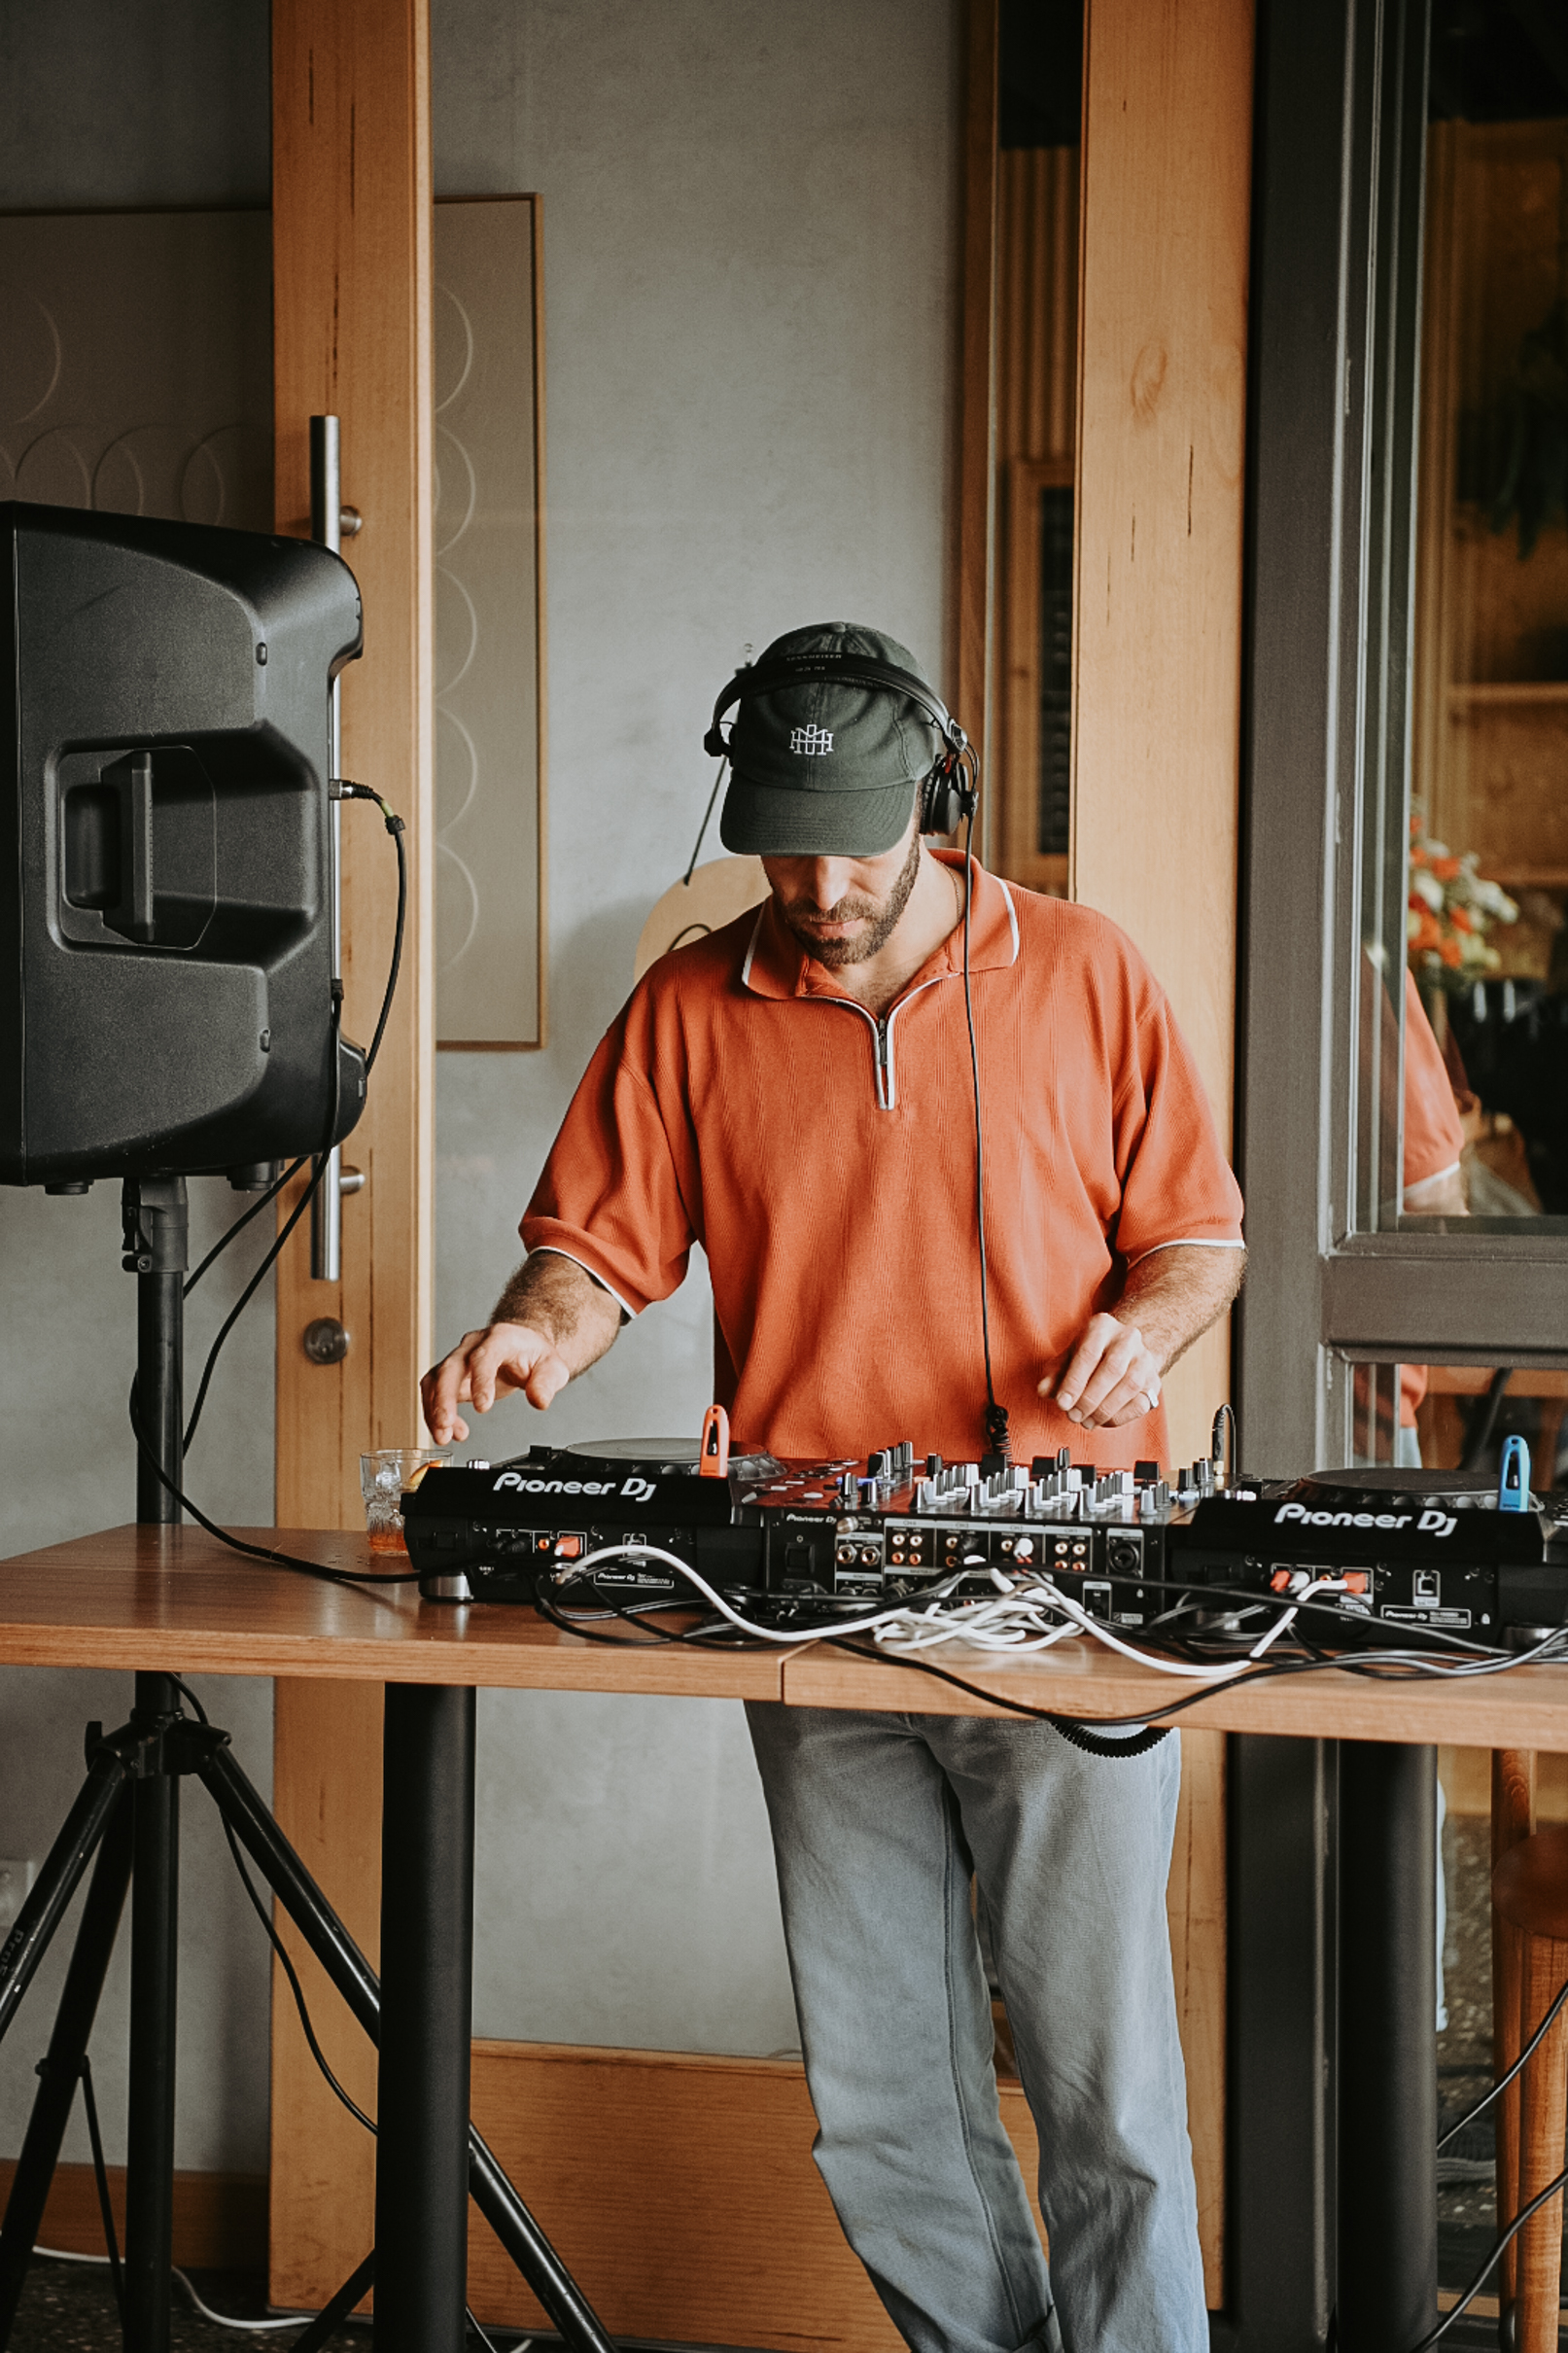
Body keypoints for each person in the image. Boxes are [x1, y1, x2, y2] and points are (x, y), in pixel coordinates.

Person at [423, 623, 1247, 2353]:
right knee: (880, 2099)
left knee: (1102, 2089)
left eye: (853, 849)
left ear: (936, 800)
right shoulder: (690, 1003)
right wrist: (535, 1331)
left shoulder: (1086, 970)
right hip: (810, 1595)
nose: (816, 889)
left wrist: (1144, 1329)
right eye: (782, 851)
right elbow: (594, 1247)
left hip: (1065, 1605)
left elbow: (1195, 1237)